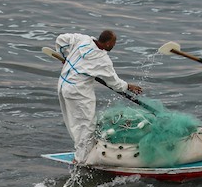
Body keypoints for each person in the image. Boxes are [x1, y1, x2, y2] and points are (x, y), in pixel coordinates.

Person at [54, 29, 142, 163]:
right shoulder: (102, 60)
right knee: (87, 125)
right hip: (78, 91)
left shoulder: (83, 39)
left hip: (63, 85)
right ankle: (81, 159)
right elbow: (114, 82)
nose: (114, 45)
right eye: (114, 42)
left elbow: (61, 39)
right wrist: (128, 86)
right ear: (107, 44)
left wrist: (65, 56)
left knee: (73, 122)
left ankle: (82, 149)